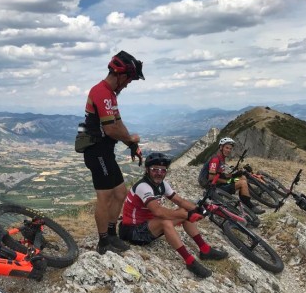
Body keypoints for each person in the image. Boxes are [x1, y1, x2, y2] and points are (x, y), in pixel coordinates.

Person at [118, 152, 228, 278]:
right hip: (132, 232)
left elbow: (180, 201)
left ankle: (205, 250)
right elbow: (157, 211)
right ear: (147, 170)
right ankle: (190, 262)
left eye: (163, 170)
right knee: (167, 221)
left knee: (183, 210)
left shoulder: (162, 185)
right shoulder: (143, 186)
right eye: (155, 169)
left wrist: (200, 209)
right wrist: (186, 215)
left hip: (147, 226)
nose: (159, 173)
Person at [82, 50, 145, 255]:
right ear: (121, 75)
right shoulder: (100, 91)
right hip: (96, 151)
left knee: (120, 193)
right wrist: (130, 139)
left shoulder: (110, 95)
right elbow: (110, 129)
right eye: (128, 80)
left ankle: (111, 234)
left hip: (105, 151)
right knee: (106, 196)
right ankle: (103, 241)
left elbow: (117, 123)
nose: (127, 85)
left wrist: (131, 145)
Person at [199, 137, 265, 214]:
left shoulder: (221, 158)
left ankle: (246, 200)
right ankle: (250, 206)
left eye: (230, 149)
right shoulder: (215, 160)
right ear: (221, 147)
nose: (228, 150)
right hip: (212, 186)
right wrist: (227, 181)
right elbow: (211, 177)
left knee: (242, 177)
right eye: (226, 148)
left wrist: (232, 175)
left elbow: (219, 174)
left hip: (217, 183)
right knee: (242, 182)